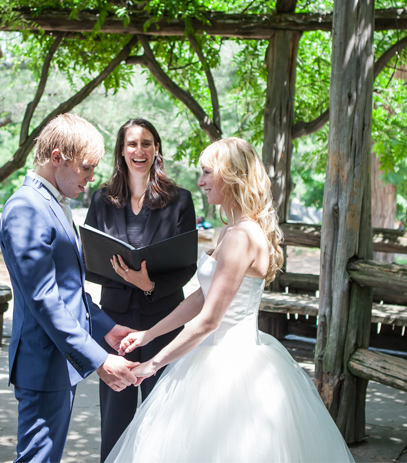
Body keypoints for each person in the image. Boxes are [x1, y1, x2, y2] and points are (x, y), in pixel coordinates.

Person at [106, 137, 354, 463]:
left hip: (232, 365)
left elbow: (209, 320)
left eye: (208, 172)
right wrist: (148, 335)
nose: (201, 181)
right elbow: (200, 297)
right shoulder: (229, 231)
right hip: (209, 355)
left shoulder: (241, 237)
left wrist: (154, 364)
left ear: (232, 175)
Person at [0, 114, 138, 463]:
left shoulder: (53, 204)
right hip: (43, 363)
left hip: (60, 362)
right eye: (87, 168)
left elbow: (69, 291)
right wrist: (100, 360)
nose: (92, 179)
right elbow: (45, 300)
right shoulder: (26, 208)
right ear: (57, 157)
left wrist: (107, 329)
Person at [83, 118, 196, 461]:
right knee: (114, 416)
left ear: (157, 149)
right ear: (121, 150)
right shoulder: (101, 200)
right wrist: (125, 278)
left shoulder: (180, 200)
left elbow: (186, 263)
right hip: (115, 321)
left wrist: (149, 286)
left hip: (163, 320)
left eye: (147, 143)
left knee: (162, 413)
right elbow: (91, 258)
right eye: (132, 144)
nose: (139, 150)